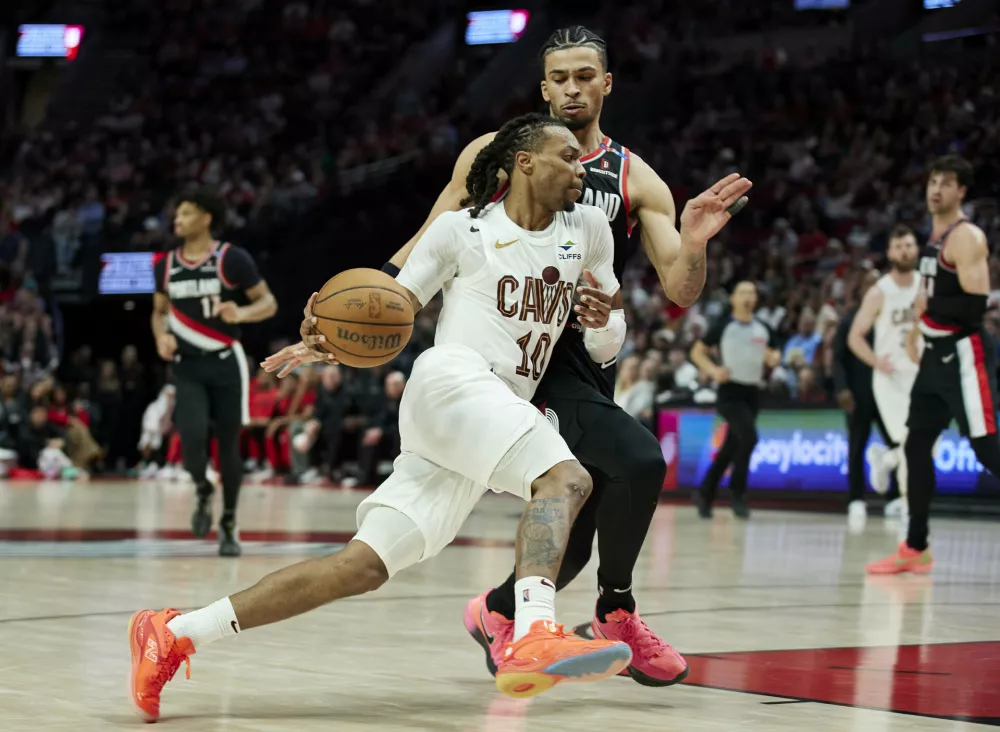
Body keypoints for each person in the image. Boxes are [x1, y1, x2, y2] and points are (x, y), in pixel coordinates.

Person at [127, 114, 676, 721]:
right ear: (523, 162)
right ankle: (532, 632)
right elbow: (390, 309)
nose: (582, 168)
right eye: (568, 157)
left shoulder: (592, 230)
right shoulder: (458, 232)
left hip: (490, 413)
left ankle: (175, 632)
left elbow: (607, 344)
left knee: (361, 566)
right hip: (453, 382)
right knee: (568, 479)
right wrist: (326, 340)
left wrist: (603, 324)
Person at [385, 25, 750, 686]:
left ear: (607, 84)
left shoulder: (635, 178)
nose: (572, 88)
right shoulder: (498, 155)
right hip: (515, 351)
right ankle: (616, 615)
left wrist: (694, 243)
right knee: (641, 458)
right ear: (543, 86)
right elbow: (429, 235)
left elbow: (680, 289)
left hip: (588, 356)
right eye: (560, 77)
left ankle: (496, 613)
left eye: (586, 76)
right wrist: (375, 298)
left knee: (576, 537)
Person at [868, 156, 999, 574]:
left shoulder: (967, 237)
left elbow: (975, 304)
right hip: (934, 357)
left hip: (963, 353)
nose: (935, 189)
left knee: (986, 447)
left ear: (962, 191)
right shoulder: (932, 238)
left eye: (946, 182)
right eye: (932, 180)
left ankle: (916, 544)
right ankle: (916, 546)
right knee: (916, 444)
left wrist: (925, 311)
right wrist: (917, 329)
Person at [151, 189, 277, 556]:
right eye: (177, 214)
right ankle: (203, 490)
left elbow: (269, 302)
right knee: (190, 442)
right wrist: (161, 336)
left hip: (226, 362)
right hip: (188, 366)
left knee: (228, 448)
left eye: (186, 213)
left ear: (206, 217)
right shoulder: (165, 264)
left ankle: (229, 522)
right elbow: (159, 311)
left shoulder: (231, 259)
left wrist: (242, 313)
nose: (177, 220)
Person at [689, 281, 781, 519]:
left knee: (732, 445)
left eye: (752, 292)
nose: (748, 296)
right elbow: (696, 352)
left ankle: (705, 493)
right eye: (743, 292)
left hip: (752, 392)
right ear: (733, 299)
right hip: (730, 392)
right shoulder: (723, 326)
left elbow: (774, 355)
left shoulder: (764, 329)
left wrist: (773, 358)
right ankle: (738, 494)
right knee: (749, 438)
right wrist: (713, 370)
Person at [847, 225, 920, 523]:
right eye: (898, 246)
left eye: (909, 245)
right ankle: (909, 506)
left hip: (922, 374)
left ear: (916, 248)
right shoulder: (880, 291)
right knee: (911, 440)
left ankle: (885, 459)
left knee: (927, 440)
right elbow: (855, 336)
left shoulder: (926, 287)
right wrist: (875, 360)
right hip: (890, 377)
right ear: (890, 253)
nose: (904, 251)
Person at [831, 269, 901, 531]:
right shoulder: (850, 322)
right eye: (869, 283)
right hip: (858, 396)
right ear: (860, 290)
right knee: (856, 447)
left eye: (878, 282)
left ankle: (895, 498)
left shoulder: (891, 320)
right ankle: (856, 499)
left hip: (889, 396)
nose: (874, 287)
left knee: (897, 445)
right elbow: (837, 359)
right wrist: (841, 389)